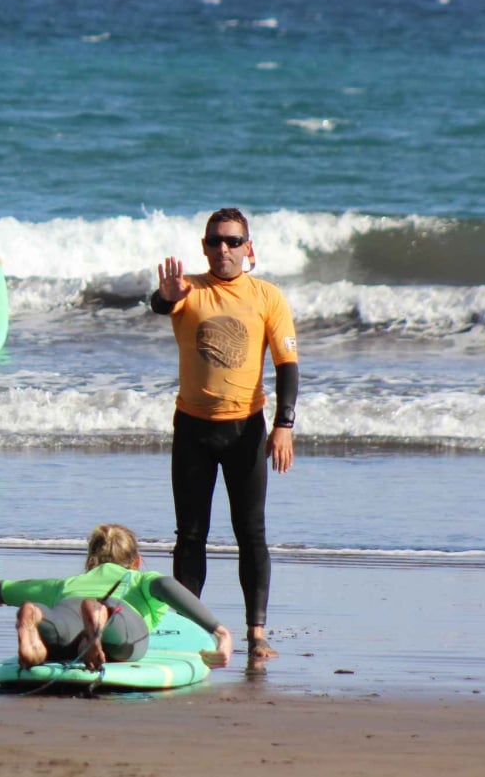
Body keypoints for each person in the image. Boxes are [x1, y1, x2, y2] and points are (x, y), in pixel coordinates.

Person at [151, 207, 299, 666]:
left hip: (245, 431)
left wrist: (284, 425)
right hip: (192, 428)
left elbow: (287, 365)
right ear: (204, 246)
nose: (223, 249)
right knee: (190, 535)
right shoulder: (188, 290)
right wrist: (163, 295)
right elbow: (160, 306)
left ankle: (257, 633)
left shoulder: (267, 296)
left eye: (233, 241)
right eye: (215, 241)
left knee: (250, 533)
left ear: (248, 248)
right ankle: (184, 626)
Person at [0, 523, 233, 671]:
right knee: (119, 627)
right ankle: (103, 614)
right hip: (117, 613)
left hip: (71, 607)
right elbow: (167, 585)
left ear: (90, 560)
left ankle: (35, 614)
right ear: (136, 562)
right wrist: (220, 631)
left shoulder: (65, 584)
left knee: (56, 625)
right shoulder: (138, 579)